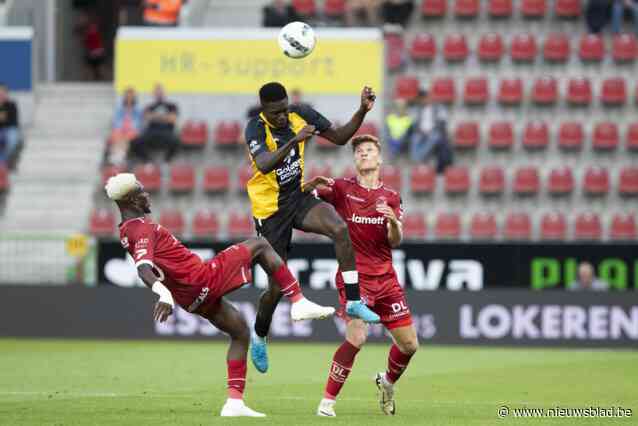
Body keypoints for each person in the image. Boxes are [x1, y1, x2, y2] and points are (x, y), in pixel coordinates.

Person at [105, 173, 334, 417]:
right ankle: (298, 300)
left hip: (189, 298)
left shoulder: (127, 230)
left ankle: (234, 403)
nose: (146, 194)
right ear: (130, 199)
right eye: (141, 191)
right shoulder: (140, 229)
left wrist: (169, 293)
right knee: (260, 245)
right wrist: (162, 293)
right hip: (200, 279)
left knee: (240, 331)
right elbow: (143, 268)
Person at [244, 82, 381, 374]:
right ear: (264, 110)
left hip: (297, 197)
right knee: (276, 288)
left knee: (339, 229)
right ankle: (259, 333)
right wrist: (294, 141)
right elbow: (266, 164)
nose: (281, 116)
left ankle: (354, 301)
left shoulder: (300, 114)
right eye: (274, 113)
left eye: (284, 110)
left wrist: (361, 111)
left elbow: (342, 137)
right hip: (270, 212)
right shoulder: (254, 129)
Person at [303, 134, 418, 417]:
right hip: (355, 277)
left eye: (369, 150)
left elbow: (395, 241)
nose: (364, 154)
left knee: (410, 345)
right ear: (355, 160)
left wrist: (393, 222)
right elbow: (302, 198)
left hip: (386, 279)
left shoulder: (391, 197)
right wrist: (309, 185)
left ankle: (387, 383)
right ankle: (327, 403)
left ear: (379, 159)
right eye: (359, 152)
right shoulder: (341, 188)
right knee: (357, 337)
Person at [129, 84, 180, 163]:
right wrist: (165, 117)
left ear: (164, 93)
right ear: (154, 94)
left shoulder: (172, 106)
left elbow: (172, 119)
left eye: (161, 92)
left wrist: (155, 117)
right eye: (157, 92)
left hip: (167, 132)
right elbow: (147, 118)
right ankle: (148, 161)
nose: (159, 94)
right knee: (135, 142)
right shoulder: (149, 106)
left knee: (177, 141)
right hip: (151, 132)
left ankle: (167, 161)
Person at [411, 89, 453, 173]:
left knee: (434, 137)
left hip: (433, 131)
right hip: (421, 131)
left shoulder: (438, 107)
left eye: (424, 98)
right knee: (414, 138)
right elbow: (414, 122)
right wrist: (420, 130)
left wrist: (434, 129)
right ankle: (418, 159)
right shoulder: (417, 109)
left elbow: (442, 121)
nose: (423, 101)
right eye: (421, 99)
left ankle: (418, 159)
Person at [108, 87, 143, 166]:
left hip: (132, 130)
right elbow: (116, 121)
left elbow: (139, 124)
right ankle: (115, 156)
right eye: (127, 96)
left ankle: (121, 157)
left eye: (131, 96)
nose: (129, 98)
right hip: (120, 129)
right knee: (116, 135)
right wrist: (119, 129)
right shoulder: (119, 109)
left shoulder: (138, 109)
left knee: (126, 137)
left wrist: (130, 129)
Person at [0, 84, 20, 168]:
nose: (1, 94)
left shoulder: (12, 105)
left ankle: (3, 162)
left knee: (12, 139)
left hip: (10, 130)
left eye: (3, 92)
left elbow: (13, 122)